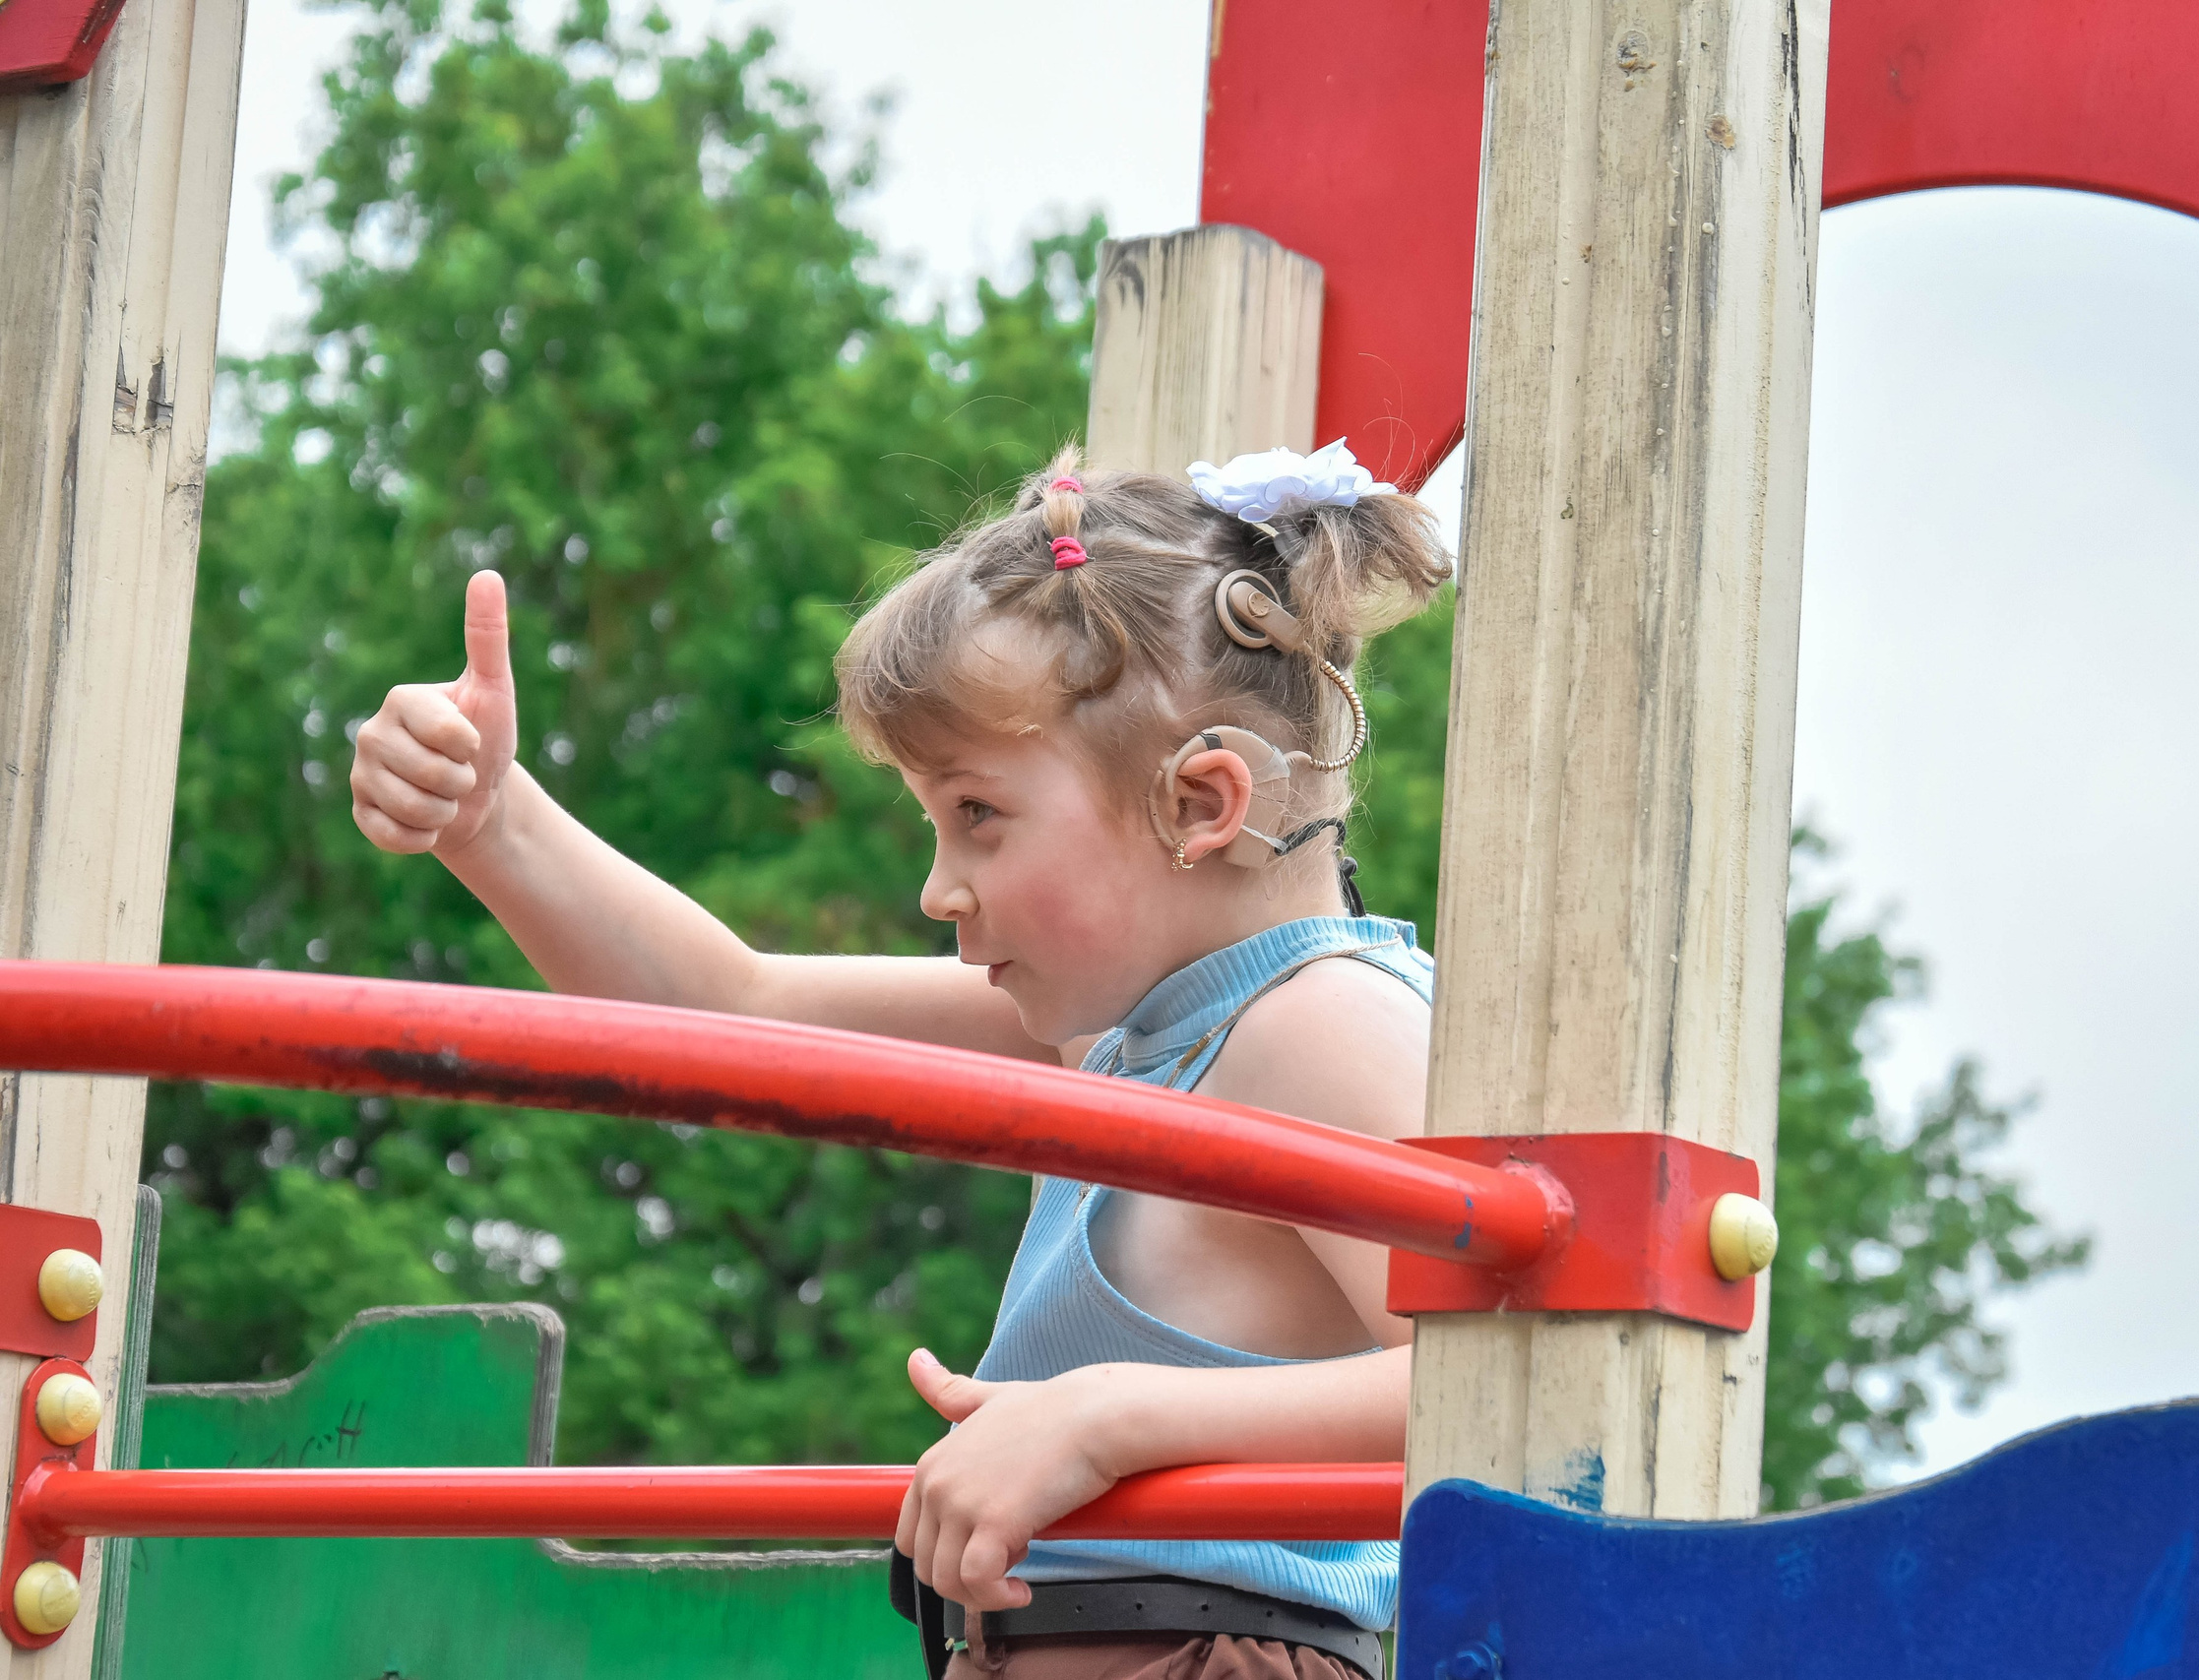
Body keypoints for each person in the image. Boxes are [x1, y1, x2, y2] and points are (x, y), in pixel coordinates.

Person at [346, 438, 1454, 1680]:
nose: (938, 888)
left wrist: (1113, 1418)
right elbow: (730, 1012)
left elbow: (1486, 1391)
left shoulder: (1323, 1022)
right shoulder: (1133, 1037)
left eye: (978, 815)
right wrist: (495, 821)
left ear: (1200, 804)